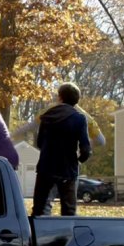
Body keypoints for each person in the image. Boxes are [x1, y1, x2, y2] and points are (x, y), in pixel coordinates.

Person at [31, 82, 91, 216]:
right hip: (68, 169)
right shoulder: (79, 119)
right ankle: (66, 236)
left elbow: (40, 143)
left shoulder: (46, 117)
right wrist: (79, 160)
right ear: (76, 100)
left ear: (60, 97)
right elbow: (86, 149)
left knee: (40, 208)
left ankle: (40, 235)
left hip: (46, 167)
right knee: (69, 210)